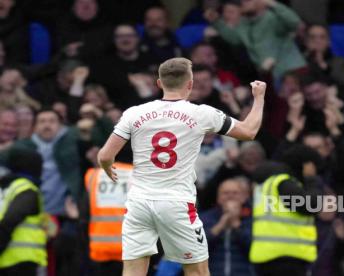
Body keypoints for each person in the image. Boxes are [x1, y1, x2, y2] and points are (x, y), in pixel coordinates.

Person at [97, 57, 267, 276]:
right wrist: (259, 97)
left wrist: (108, 167)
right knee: (197, 271)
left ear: (159, 84)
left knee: (132, 271)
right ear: (190, 84)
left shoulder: (134, 113)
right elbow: (249, 131)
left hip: (138, 203)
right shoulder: (202, 113)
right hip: (176, 203)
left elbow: (105, 155)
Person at [249, 145, 321, 276]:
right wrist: (312, 180)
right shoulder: (284, 183)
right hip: (286, 258)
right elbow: (312, 206)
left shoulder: (266, 184)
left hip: (268, 256)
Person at [205, 0, 306, 80]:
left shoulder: (272, 17)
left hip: (291, 71)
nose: (243, 2)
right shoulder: (244, 23)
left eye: (248, 0)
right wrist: (216, 21)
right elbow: (234, 39)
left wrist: (272, 3)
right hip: (268, 75)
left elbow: (294, 23)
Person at [0, 148, 47, 275]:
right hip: (21, 262)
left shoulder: (7, 188)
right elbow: (9, 220)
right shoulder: (27, 189)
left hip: (9, 261)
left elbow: (46, 226)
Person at [82, 162, 133, 276]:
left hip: (100, 248)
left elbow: (84, 217)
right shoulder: (140, 175)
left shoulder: (94, 175)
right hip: (132, 250)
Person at [200, 178, 254, 276]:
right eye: (225, 193)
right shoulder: (204, 218)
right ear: (218, 198)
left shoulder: (253, 219)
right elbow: (197, 248)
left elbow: (255, 249)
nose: (230, 196)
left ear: (244, 197)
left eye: (235, 193)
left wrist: (236, 224)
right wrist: (221, 225)